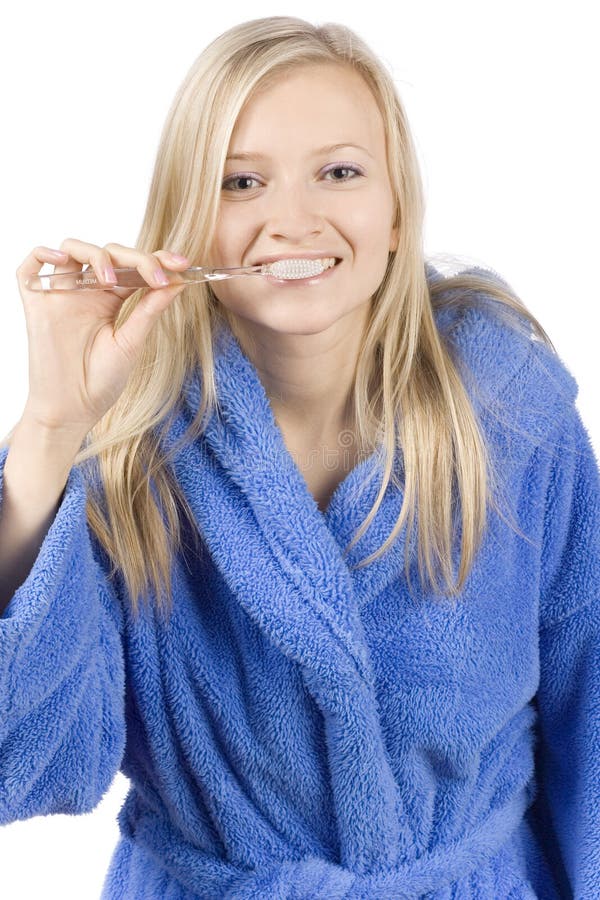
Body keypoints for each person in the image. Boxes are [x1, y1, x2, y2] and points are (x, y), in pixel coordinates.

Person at [0, 15, 598, 899]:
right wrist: (52, 425)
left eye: (340, 172)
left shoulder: (508, 415)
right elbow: (28, 761)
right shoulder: (124, 447)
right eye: (241, 182)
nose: (291, 220)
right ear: (189, 225)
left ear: (397, 213)